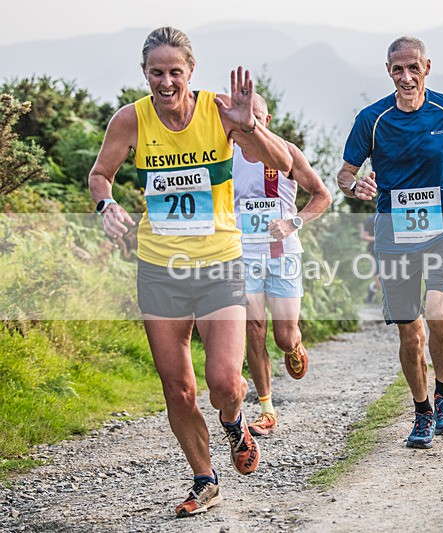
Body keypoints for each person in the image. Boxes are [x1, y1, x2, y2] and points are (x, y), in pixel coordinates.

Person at [87, 27, 292, 517]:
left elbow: (282, 163)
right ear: (145, 73)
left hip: (220, 262)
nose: (165, 81)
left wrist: (251, 127)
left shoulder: (219, 112)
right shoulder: (129, 120)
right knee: (177, 388)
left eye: (175, 71)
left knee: (224, 381)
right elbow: (100, 175)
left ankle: (235, 421)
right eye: (156, 72)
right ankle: (205, 479)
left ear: (190, 72)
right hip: (160, 268)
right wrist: (106, 205)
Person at [337, 36, 443, 449]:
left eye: (413, 67)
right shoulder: (372, 119)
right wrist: (356, 184)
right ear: (388, 71)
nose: (406, 76)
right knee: (410, 333)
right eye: (397, 69)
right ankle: (422, 412)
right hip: (393, 233)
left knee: (438, 312)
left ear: (427, 67)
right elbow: (345, 174)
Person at [232, 93, 332, 435]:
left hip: (282, 254)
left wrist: (293, 223)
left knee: (283, 337)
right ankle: (266, 408)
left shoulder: (285, 152)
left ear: (267, 120)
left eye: (256, 116)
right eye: (243, 116)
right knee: (253, 330)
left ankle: (295, 344)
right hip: (243, 254)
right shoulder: (224, 154)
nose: (250, 123)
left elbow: (323, 195)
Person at [359, 211, 380, 303]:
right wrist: (378, 239)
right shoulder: (371, 219)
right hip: (374, 250)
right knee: (380, 279)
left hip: (390, 250)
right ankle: (373, 289)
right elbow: (363, 236)